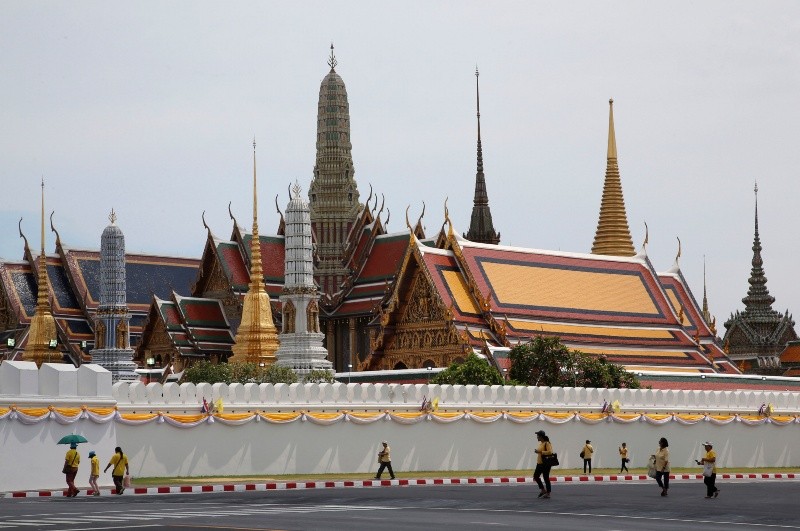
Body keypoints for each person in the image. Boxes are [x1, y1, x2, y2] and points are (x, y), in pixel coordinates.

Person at [533, 430, 554, 499]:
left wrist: (540, 451)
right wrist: (538, 452)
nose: (537, 437)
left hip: (545, 463)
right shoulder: (541, 444)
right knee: (536, 476)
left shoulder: (547, 443)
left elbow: (550, 452)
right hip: (539, 463)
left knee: (546, 478)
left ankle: (548, 493)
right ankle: (543, 490)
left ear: (541, 436)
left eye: (538, 436)